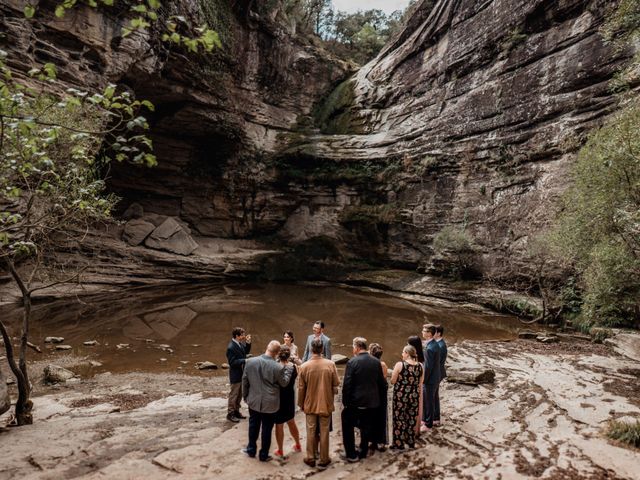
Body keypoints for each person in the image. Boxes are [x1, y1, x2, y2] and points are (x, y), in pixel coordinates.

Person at [242, 341, 294, 462]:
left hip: (254, 400)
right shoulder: (278, 367)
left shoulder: (250, 362)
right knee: (267, 429)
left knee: (253, 425)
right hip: (270, 403)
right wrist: (289, 370)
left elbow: (245, 381)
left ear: (267, 348)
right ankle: (263, 455)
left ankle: (251, 450)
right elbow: (284, 383)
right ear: (277, 353)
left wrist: (245, 397)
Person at [341, 337, 387, 462]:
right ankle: (363, 450)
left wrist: (346, 403)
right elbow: (382, 384)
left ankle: (351, 453)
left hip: (356, 403)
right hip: (372, 402)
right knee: (366, 426)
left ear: (357, 347)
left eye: (353, 347)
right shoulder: (376, 362)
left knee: (347, 425)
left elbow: (347, 385)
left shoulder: (352, 362)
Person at [298, 338, 340, 470]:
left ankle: (310, 457)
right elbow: (336, 383)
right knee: (324, 431)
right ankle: (324, 458)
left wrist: (301, 404)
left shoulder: (304, 366)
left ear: (311, 349)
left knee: (310, 431)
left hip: (310, 404)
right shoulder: (330, 364)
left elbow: (301, 388)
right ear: (322, 349)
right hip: (326, 403)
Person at [390, 345, 423, 449]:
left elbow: (392, 381)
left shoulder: (400, 365)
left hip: (401, 396)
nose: (402, 354)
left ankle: (399, 444)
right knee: (411, 418)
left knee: (399, 418)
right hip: (414, 396)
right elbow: (421, 382)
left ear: (407, 354)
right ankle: (410, 441)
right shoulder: (420, 366)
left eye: (403, 352)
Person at [274, 345, 302, 459]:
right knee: (291, 422)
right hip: (290, 399)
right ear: (289, 356)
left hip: (278, 399)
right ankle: (298, 444)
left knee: (279, 425)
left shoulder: (275, 368)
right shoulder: (294, 367)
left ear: (278, 356)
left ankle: (280, 450)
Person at [226, 327, 251, 422]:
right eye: (242, 335)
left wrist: (248, 343)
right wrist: (244, 360)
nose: (244, 336)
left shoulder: (238, 344)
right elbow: (232, 363)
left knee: (240, 394)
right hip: (235, 374)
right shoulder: (231, 347)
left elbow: (246, 352)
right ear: (237, 336)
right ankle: (230, 413)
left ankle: (236, 411)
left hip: (241, 373)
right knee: (234, 394)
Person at [421, 324, 442, 432]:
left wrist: (423, 380)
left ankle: (428, 424)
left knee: (428, 401)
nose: (422, 332)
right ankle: (433, 419)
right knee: (433, 399)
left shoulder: (430, 348)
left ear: (429, 333)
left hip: (430, 379)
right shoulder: (434, 344)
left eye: (424, 331)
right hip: (436, 376)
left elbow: (428, 367)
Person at [368, 342, 389, 451]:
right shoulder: (383, 365)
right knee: (381, 415)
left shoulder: (370, 364)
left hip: (372, 392)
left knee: (371, 415)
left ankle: (372, 440)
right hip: (381, 392)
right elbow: (384, 379)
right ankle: (381, 440)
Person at [407, 335, 425, 434]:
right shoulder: (421, 357)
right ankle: (416, 429)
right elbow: (422, 378)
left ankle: (411, 429)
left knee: (412, 408)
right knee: (418, 407)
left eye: (408, 344)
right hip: (419, 386)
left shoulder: (413, 361)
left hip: (412, 387)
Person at [434, 325, 448, 427]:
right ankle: (435, 418)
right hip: (438, 372)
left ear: (438, 333)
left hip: (437, 373)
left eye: (433, 332)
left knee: (434, 396)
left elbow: (438, 362)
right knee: (434, 395)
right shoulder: (439, 344)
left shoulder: (441, 346)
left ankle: (436, 418)